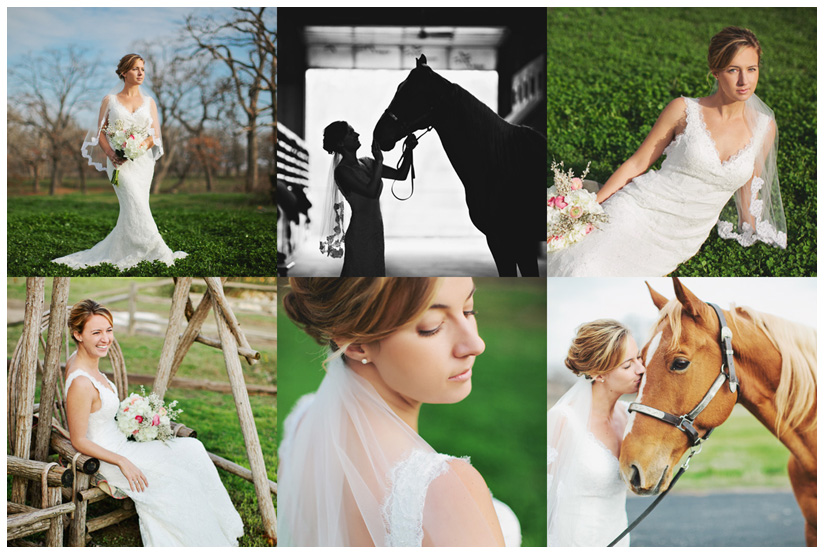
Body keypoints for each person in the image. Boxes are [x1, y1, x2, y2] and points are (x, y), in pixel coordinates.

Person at [277, 277, 521, 546]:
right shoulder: (445, 489)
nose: (476, 344)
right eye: (432, 327)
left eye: (468, 310)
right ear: (357, 343)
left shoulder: (303, 419)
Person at [548, 27, 786, 277]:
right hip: (639, 207)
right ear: (715, 72)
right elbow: (637, 163)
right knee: (582, 267)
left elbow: (750, 189)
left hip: (682, 237)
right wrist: (591, 206)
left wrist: (752, 229)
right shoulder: (683, 110)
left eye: (751, 69)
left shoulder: (764, 127)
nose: (744, 81)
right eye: (733, 70)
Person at [64, 299, 243, 546]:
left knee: (192, 449)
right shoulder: (81, 384)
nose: (105, 339)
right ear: (78, 334)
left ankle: (221, 524)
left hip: (122, 445)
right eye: (96, 332)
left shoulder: (79, 359)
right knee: (179, 478)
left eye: (108, 330)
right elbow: (78, 439)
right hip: (108, 460)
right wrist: (122, 461)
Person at [52, 54, 186, 270]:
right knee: (133, 201)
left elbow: (155, 136)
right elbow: (101, 133)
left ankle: (127, 247)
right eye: (135, 69)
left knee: (138, 205)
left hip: (142, 163)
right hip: (117, 163)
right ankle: (156, 249)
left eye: (142, 69)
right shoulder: (110, 100)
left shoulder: (149, 102)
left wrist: (138, 147)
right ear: (124, 72)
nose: (141, 73)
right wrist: (111, 154)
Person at [547, 319, 645, 546]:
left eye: (638, 358)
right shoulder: (563, 420)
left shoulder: (629, 416)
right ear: (598, 373)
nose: (641, 369)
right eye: (628, 365)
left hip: (618, 539)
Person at [319, 121, 417, 276]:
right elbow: (370, 191)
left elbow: (401, 175)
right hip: (360, 233)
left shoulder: (367, 162)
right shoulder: (342, 171)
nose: (357, 134)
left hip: (376, 230)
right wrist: (379, 161)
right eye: (351, 133)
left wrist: (409, 150)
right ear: (341, 142)